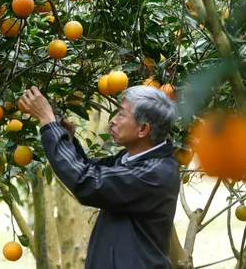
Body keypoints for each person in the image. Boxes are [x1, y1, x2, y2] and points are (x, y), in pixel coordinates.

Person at [19, 85, 180, 269]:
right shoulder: (133, 160)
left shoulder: (154, 173)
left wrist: (48, 121)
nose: (113, 120)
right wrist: (68, 139)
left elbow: (86, 181)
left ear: (143, 129)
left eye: (121, 114)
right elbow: (91, 169)